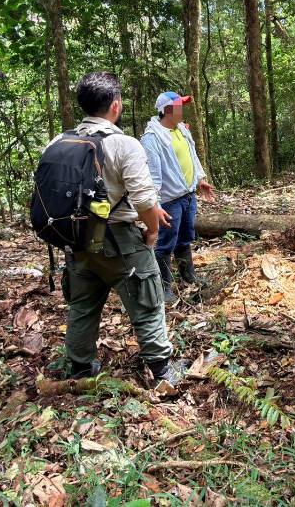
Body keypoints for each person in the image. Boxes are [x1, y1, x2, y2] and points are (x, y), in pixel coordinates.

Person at [48, 72, 186, 386]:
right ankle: (163, 371)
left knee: (83, 305)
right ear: (115, 105)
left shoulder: (59, 142)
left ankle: (81, 368)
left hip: (77, 240)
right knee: (147, 301)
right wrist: (151, 232)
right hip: (120, 240)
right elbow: (144, 201)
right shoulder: (125, 144)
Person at [140, 92, 215, 304]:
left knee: (185, 236)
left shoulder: (182, 130)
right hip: (169, 200)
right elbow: (151, 174)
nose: (181, 110)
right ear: (166, 110)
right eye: (177, 107)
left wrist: (200, 179)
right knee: (165, 243)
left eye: (182, 106)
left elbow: (191, 156)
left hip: (188, 196)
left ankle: (187, 274)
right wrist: (154, 204)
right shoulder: (152, 138)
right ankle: (164, 286)